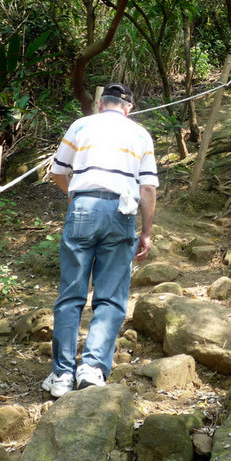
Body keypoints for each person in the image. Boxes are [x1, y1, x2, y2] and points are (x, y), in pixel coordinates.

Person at [42, 83, 158, 398]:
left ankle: (62, 374)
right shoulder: (140, 135)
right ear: (129, 107)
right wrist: (145, 232)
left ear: (100, 103)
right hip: (122, 212)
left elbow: (57, 171)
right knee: (110, 297)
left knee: (71, 295)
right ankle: (92, 369)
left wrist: (77, 199)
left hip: (82, 207)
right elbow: (147, 188)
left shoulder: (81, 125)